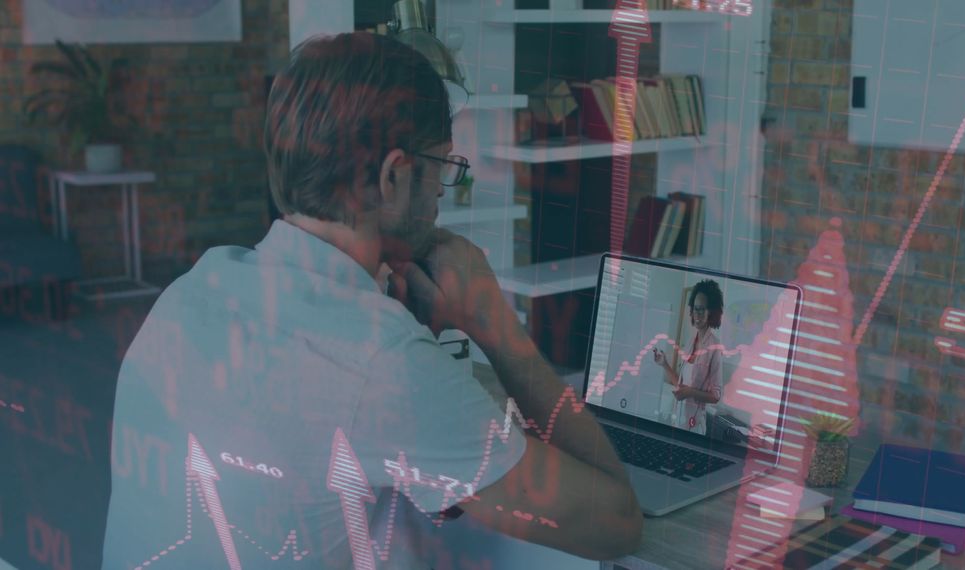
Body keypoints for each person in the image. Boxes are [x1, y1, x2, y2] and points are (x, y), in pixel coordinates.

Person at [102, 32, 640, 569]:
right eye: (442, 165)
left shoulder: (193, 287)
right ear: (392, 176)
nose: (440, 192)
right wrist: (493, 322)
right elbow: (615, 524)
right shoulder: (383, 361)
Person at [651, 279, 725, 434]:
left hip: (694, 427)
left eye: (702, 309)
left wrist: (690, 393)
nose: (697, 314)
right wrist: (664, 364)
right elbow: (680, 385)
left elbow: (716, 396)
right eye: (695, 308)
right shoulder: (691, 342)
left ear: (711, 312)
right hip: (678, 422)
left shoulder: (715, 347)